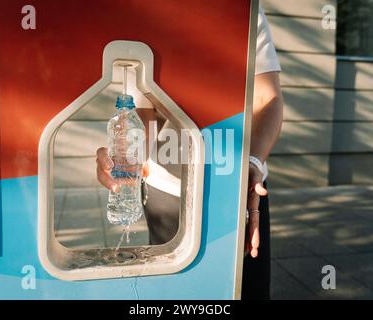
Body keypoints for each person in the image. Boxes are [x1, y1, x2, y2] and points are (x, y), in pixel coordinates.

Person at [96, 7, 283, 300]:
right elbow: (145, 110)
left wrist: (254, 161)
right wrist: (127, 156)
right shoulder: (150, 18)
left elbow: (268, 99)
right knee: (178, 293)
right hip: (168, 192)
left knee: (247, 288)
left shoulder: (245, 15)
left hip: (239, 182)